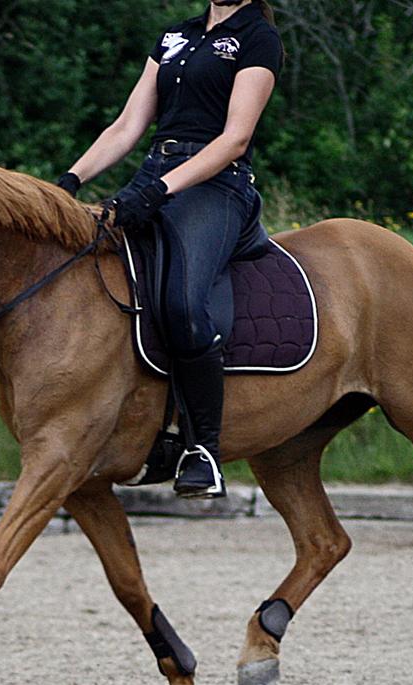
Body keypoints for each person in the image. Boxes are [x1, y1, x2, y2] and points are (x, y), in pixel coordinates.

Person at [55, 0, 283, 499]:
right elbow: (126, 126)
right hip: (155, 174)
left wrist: (160, 192)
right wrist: (68, 181)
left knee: (183, 303)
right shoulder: (175, 36)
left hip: (218, 187)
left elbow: (235, 139)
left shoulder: (257, 38)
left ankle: (203, 449)